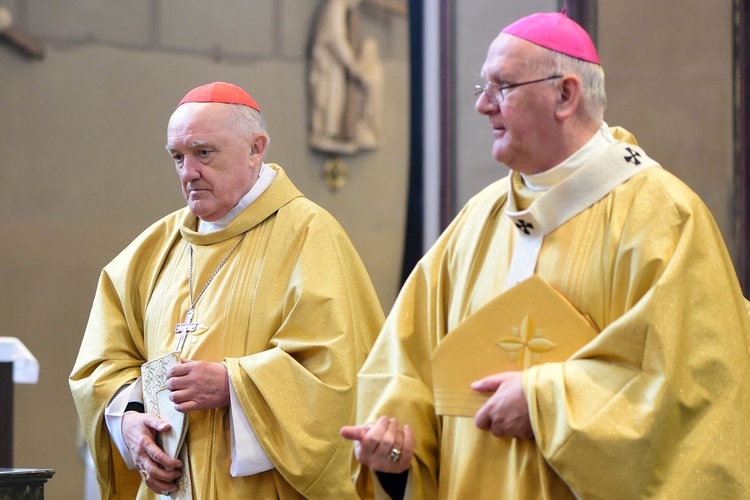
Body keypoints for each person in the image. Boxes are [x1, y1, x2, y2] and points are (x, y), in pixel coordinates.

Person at [341, 10, 750, 499]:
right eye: (481, 89)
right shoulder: (478, 220)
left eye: (502, 87)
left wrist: (545, 402)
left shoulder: (663, 217)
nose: (483, 106)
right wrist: (393, 443)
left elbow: (691, 388)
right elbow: (406, 360)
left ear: (565, 95)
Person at [70, 81, 384, 499]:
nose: (188, 172)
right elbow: (102, 365)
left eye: (203, 153)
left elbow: (340, 374)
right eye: (177, 157)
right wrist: (129, 421)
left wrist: (234, 385)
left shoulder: (310, 235)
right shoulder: (152, 250)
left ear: (257, 148)